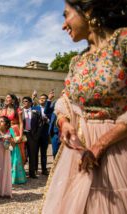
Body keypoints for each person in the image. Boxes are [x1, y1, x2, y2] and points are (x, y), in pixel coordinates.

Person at [42, 1, 127, 213]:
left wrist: (101, 144)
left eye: (66, 15)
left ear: (87, 11)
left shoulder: (122, 42)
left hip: (118, 148)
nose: (63, 26)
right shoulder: (76, 61)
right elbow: (66, 100)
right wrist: (64, 122)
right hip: (80, 154)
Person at [0, 94, 26, 165]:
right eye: (6, 97)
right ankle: (7, 168)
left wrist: (20, 135)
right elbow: (0, 122)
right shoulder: (3, 110)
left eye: (8, 97)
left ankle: (16, 170)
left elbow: (21, 123)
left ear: (13, 100)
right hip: (6, 131)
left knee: (17, 150)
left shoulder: (17, 109)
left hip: (15, 131)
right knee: (6, 148)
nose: (6, 99)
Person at [22, 97, 42, 178]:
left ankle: (32, 173)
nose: (24, 103)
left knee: (32, 155)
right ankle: (21, 173)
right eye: (23, 101)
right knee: (22, 154)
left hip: (32, 135)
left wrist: (36, 135)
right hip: (22, 135)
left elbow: (40, 124)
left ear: (30, 103)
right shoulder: (20, 112)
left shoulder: (36, 112)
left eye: (26, 101)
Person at [0, 116, 14, 198]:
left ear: (6, 125)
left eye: (1, 121)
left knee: (5, 170)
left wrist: (10, 140)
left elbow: (13, 145)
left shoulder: (9, 133)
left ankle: (5, 191)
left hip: (5, 155)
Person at [32, 94, 50, 175]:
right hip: (36, 133)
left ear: (47, 100)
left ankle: (44, 169)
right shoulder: (35, 108)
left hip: (45, 133)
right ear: (39, 100)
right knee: (35, 152)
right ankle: (35, 168)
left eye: (44, 99)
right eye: (41, 98)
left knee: (43, 152)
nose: (42, 100)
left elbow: (52, 119)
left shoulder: (49, 109)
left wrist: (48, 120)